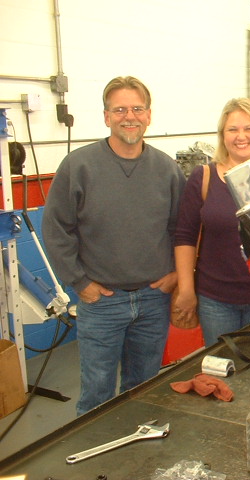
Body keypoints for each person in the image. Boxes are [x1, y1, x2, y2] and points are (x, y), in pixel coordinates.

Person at [42, 76, 186, 416]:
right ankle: (95, 463)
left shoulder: (167, 169)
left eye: (137, 108)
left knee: (144, 390)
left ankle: (134, 459)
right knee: (96, 395)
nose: (129, 116)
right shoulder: (79, 166)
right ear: (106, 116)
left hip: (154, 299)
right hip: (102, 302)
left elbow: (181, 228)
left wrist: (175, 275)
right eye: (119, 109)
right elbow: (56, 228)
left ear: (149, 115)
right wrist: (79, 283)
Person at [173, 98, 250, 346]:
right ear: (223, 136)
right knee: (220, 371)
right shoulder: (204, 177)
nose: (240, 136)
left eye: (248, 128)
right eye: (233, 129)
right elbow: (184, 237)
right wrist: (187, 290)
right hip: (215, 301)